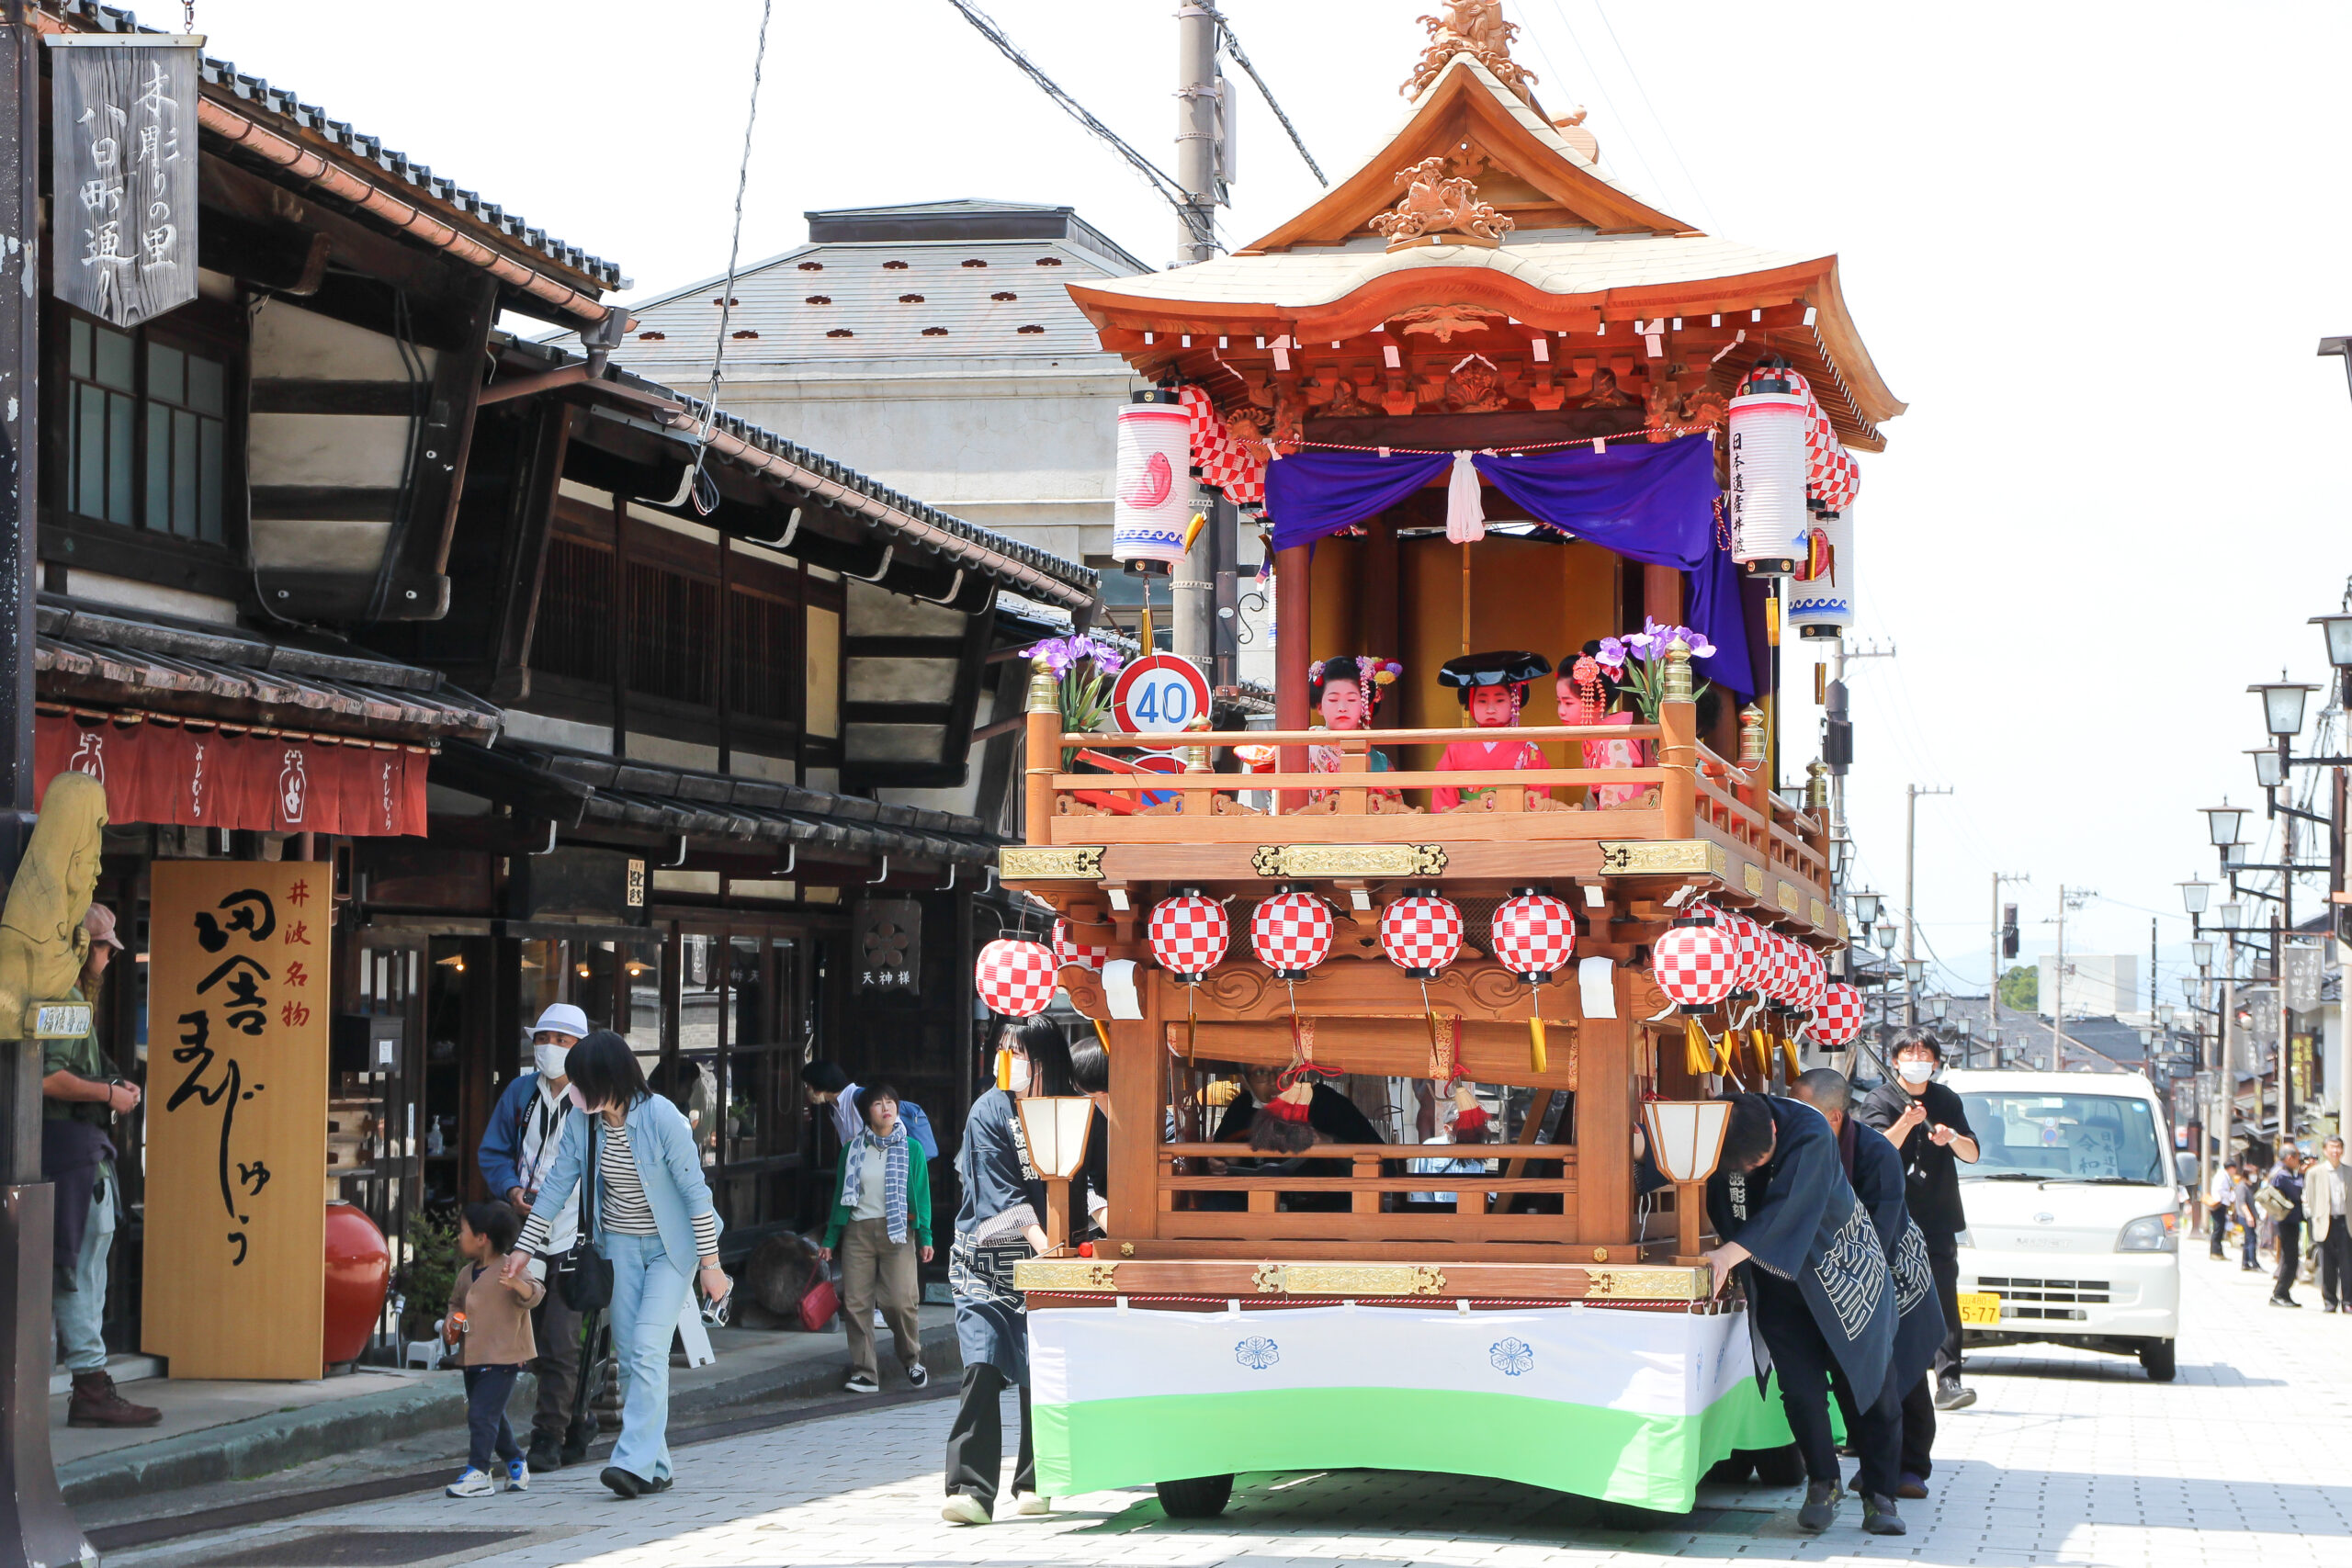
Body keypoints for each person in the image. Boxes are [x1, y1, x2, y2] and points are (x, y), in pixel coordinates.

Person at [506, 1031, 729, 1500]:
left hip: (674, 1249)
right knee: (629, 1353)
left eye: (584, 1081)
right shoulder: (583, 1124)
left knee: (648, 1345)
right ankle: (657, 1465)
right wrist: (524, 1249)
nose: (576, 1091)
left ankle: (629, 1461)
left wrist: (711, 1264)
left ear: (610, 1077)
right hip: (621, 1246)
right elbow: (553, 1191)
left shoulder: (663, 1117)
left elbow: (696, 1195)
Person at [1702, 1093, 1904, 1537]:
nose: (1750, 1172)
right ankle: (1823, 1481)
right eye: (1742, 1168)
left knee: (1867, 1384)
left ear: (1773, 1132)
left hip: (1841, 1275)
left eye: (1758, 1163)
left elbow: (1787, 1207)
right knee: (1799, 1389)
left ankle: (1881, 1493)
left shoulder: (1810, 1131)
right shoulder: (1719, 1124)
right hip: (1777, 1279)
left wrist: (1726, 1256)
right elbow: (1677, 1159)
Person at [943, 1018, 1091, 1527]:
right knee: (982, 1363)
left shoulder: (1073, 1106)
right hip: (987, 1261)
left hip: (1053, 1258)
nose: (1007, 1060)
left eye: (1018, 1051)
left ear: (1044, 1058)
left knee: (1039, 1369)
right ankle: (969, 1489)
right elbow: (998, 1192)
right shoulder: (989, 1109)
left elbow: (1088, 1181)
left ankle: (1035, 1479)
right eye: (1002, 1049)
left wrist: (1099, 1215)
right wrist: (1041, 1246)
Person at [1792, 1069, 1943, 1501]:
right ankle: (1877, 1462)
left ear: (1834, 1115)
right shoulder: (1799, 1147)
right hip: (1833, 1268)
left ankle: (1910, 1465)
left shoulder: (1875, 1152)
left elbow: (1883, 1225)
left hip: (1890, 1264)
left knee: (1901, 1366)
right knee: (1852, 1368)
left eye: (1802, 1110)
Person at [41, 904, 157, 1428]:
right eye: (106, 946)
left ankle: (87, 1380)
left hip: (73, 1149)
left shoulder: (65, 995)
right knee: (78, 1270)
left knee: (80, 1268)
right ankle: (89, 1382)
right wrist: (110, 1093)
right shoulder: (62, 995)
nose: (110, 957)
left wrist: (112, 1087)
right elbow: (47, 1078)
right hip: (70, 1152)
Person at [476, 1002, 596, 1471]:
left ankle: (548, 1435)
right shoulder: (521, 1092)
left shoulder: (593, 1098)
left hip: (572, 1233)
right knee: (516, 1334)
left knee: (560, 1339)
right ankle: (573, 1421)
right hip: (524, 1232)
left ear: (580, 1049)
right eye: (542, 1039)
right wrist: (509, 1188)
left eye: (561, 1041)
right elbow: (494, 1149)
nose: (548, 1048)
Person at [1856, 1035, 1980, 1412]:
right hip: (1892, 1217)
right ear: (1894, 1061)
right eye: (1908, 1053)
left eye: (1925, 1053)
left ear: (1936, 1063)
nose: (1916, 1059)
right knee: (1889, 1295)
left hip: (1939, 1214)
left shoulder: (1947, 1100)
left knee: (1944, 1295)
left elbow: (1972, 1153)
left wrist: (1951, 1136)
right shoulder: (1879, 1100)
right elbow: (1874, 1150)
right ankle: (1890, 1375)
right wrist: (1907, 1124)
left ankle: (1949, 1378)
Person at [819, 1084, 933, 1393]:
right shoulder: (852, 1150)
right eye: (878, 1103)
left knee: (899, 1301)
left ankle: (912, 1359)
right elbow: (841, 1198)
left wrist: (926, 1237)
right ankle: (865, 1372)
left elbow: (922, 1197)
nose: (886, 1107)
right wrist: (830, 1240)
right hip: (858, 1231)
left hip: (898, 1231)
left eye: (891, 1102)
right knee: (857, 1305)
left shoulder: (913, 1149)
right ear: (866, 1112)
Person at [444, 1201, 543, 1497]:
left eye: (463, 1231)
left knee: (481, 1414)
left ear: (482, 1238)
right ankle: (515, 1461)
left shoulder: (510, 1267)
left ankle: (479, 1471)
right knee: (489, 1414)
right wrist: (452, 1320)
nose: (459, 1236)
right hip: (472, 1356)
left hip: (504, 1357)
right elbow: (455, 1304)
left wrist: (517, 1284)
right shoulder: (466, 1273)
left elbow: (536, 1293)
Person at [1431, 651, 1554, 813]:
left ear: (1514, 701)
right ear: (1470, 702)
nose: (1490, 709)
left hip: (1514, 826)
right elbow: (1443, 794)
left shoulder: (1528, 750)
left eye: (1499, 700)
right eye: (1482, 701)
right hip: (1466, 826)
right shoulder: (1456, 748)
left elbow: (1540, 795)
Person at [1555, 646, 1651, 809]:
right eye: (1559, 702)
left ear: (1596, 703)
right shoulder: (1598, 738)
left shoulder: (1615, 742)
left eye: (1568, 703)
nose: (1561, 712)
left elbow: (1615, 805)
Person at [1306, 655, 1401, 805]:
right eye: (1333, 700)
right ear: (1319, 706)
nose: (1342, 708)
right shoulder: (1307, 747)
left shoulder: (1379, 761)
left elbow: (1395, 812)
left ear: (1363, 705)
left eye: (1351, 700)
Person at [806, 1060, 939, 1161]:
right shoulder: (833, 1108)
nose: (806, 1090)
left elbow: (899, 1132)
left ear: (819, 1085)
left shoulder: (862, 1098)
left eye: (808, 1085)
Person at [2308, 1137, 2352, 1312]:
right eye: (2332, 1148)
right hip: (2325, 1223)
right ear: (2325, 1150)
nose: (2336, 1151)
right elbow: (2311, 1198)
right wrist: (2317, 1216)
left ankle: (2348, 1301)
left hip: (2345, 1222)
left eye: (2339, 1148)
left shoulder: (2349, 1172)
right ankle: (2330, 1301)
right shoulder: (2315, 1173)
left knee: (2347, 1264)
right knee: (2327, 1265)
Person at [2267, 1145, 2306, 1307]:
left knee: (2289, 1258)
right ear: (2290, 1158)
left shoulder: (2279, 1171)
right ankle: (2279, 1293)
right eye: (2297, 1157)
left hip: (2286, 1220)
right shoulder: (2282, 1174)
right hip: (2286, 1221)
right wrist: (2302, 1175)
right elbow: (2297, 1191)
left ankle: (2284, 1293)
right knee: (2290, 1259)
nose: (2299, 1160)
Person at [2208, 1159, 2239, 1262]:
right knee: (2218, 1228)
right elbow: (2220, 1190)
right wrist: (2230, 1195)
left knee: (2220, 1228)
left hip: (2222, 1204)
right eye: (2234, 1169)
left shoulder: (2225, 1176)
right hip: (2219, 1204)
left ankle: (2218, 1252)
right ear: (2231, 1168)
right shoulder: (2222, 1176)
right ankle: (2215, 1252)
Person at [2234, 1159, 2263, 1272]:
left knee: (2248, 1239)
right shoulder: (2242, 1186)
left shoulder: (2251, 1186)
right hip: (2245, 1216)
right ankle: (2253, 1262)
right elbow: (2242, 1203)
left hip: (2250, 1215)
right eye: (2253, 1174)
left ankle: (2245, 1263)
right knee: (2252, 1239)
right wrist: (2249, 1216)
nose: (2255, 1176)